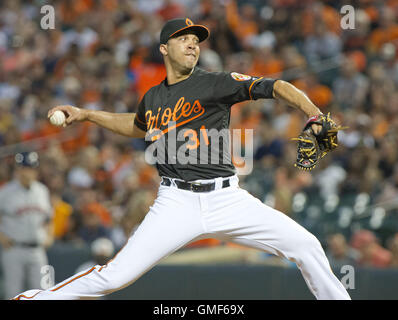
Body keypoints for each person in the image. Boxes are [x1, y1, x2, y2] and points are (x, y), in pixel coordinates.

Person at [14, 18, 350, 300]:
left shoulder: (215, 82)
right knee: (114, 277)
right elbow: (135, 125)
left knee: (305, 245)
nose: (192, 45)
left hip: (227, 198)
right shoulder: (154, 96)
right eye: (183, 39)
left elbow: (275, 86)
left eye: (195, 40)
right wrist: (86, 114)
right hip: (175, 202)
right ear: (164, 48)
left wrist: (314, 112)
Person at [0, 152, 54, 299]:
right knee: (13, 293)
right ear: (17, 170)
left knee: (45, 292)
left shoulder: (42, 191)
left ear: (36, 170)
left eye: (30, 168)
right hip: (14, 249)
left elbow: (49, 218)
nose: (27, 172)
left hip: (37, 251)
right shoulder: (5, 192)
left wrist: (49, 235)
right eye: (23, 168)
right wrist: (1, 236)